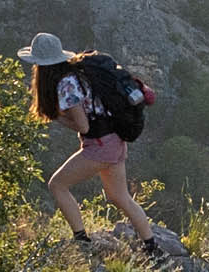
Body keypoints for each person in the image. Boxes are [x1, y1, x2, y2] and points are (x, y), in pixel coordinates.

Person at [25, 31, 162, 252]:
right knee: (120, 196)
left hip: (100, 146)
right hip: (116, 140)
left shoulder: (66, 84)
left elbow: (83, 126)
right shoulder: (80, 73)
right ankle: (152, 248)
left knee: (57, 185)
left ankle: (81, 240)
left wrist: (58, 117)